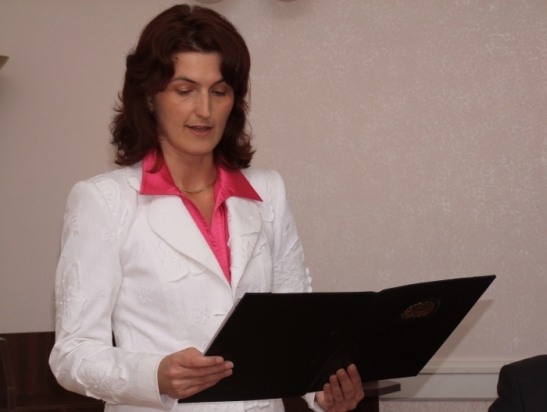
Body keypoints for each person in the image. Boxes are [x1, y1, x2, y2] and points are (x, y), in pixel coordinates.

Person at [49, 4, 364, 412]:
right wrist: (155, 375)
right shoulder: (102, 201)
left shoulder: (269, 191)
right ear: (149, 97)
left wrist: (322, 393)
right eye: (185, 90)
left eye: (219, 91)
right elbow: (72, 355)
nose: (204, 110)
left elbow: (293, 330)